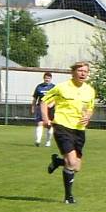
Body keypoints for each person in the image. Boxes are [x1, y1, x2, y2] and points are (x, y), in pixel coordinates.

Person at [41, 61, 96, 204]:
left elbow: (90, 108)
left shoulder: (90, 90)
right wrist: (46, 119)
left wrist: (88, 116)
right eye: (80, 71)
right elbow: (44, 101)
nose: (83, 73)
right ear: (73, 72)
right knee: (71, 162)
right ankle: (68, 197)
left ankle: (58, 161)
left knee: (76, 166)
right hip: (62, 126)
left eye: (86, 71)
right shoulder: (61, 87)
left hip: (79, 130)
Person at [31, 72, 55, 147]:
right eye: (46, 78)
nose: (47, 79)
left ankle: (48, 142)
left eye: (48, 78)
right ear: (43, 78)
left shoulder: (54, 87)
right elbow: (35, 98)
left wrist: (52, 103)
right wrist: (33, 107)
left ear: (51, 79)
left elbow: (57, 97)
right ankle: (38, 140)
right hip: (40, 107)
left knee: (49, 124)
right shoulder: (39, 87)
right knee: (40, 123)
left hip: (50, 108)